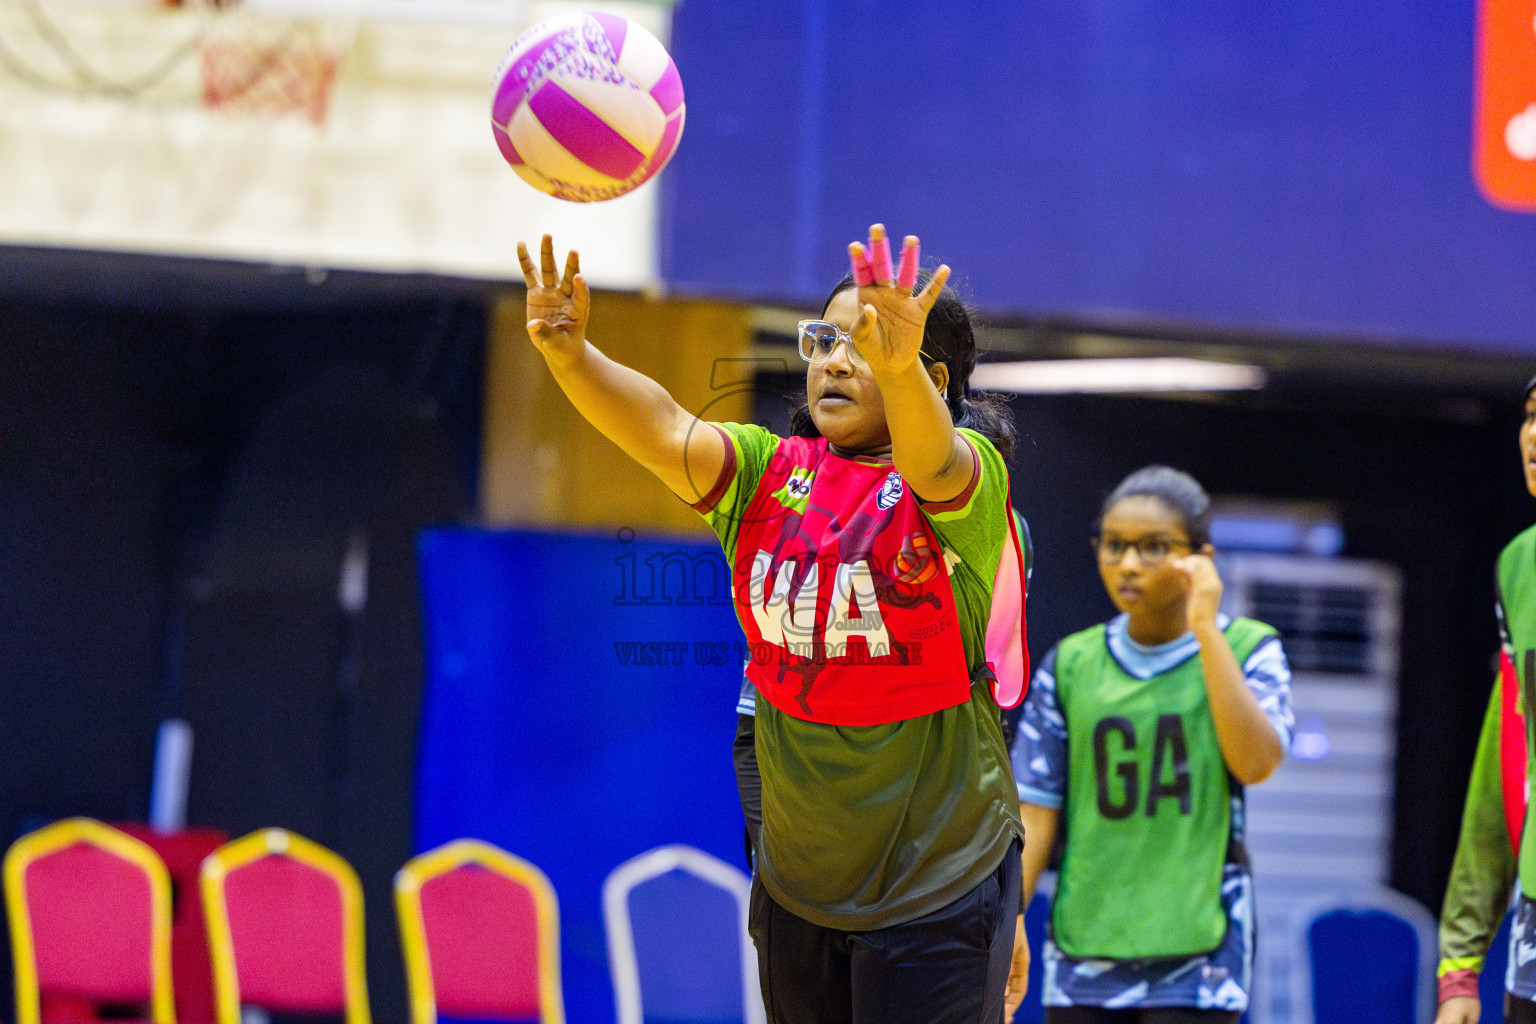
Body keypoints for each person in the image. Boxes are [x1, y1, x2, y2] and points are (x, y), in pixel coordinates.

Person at [518, 225, 1031, 1024]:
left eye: (866, 343)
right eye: (824, 338)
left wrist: (898, 375)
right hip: (803, 881)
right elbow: (662, 430)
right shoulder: (765, 473)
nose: (833, 358)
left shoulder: (968, 478)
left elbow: (935, 465)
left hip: (939, 877)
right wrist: (571, 357)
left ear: (930, 376)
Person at [1005, 466, 1293, 1024]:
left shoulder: (1250, 648)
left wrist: (1205, 627)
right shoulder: (1070, 663)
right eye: (1114, 545)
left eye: (1154, 547)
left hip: (1200, 957)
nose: (1129, 564)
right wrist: (1009, 917)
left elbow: (1256, 763)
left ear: (1200, 557)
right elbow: (1036, 810)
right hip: (1085, 952)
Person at [1434, 378, 1536, 1024]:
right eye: (1531, 417)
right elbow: (1505, 760)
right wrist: (1460, 965)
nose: (1535, 437)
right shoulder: (1519, 565)